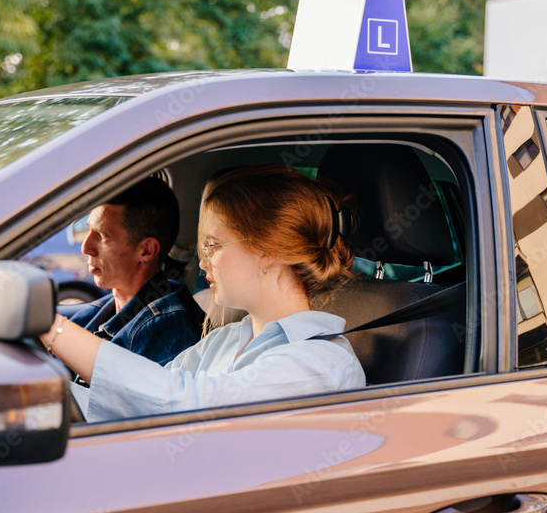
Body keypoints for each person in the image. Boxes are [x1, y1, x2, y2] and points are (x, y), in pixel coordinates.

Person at [41, 165, 366, 422]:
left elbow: (185, 406)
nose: (203, 261)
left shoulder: (321, 364)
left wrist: (46, 324)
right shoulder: (223, 341)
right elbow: (134, 402)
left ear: (270, 249)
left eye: (213, 245)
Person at [66, 176, 205, 367]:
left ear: (146, 250)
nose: (86, 247)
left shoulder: (166, 330)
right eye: (88, 229)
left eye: (101, 236)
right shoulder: (103, 309)